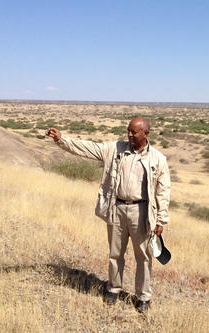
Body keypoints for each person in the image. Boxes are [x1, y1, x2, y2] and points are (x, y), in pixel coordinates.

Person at [46, 117, 170, 313]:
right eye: (128, 131)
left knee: (144, 257)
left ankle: (143, 297)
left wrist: (161, 219)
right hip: (117, 208)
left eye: (134, 132)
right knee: (115, 254)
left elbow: (163, 191)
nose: (129, 135)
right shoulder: (115, 149)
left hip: (142, 212)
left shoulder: (157, 159)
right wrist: (62, 139)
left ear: (146, 134)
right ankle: (113, 289)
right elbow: (87, 148)